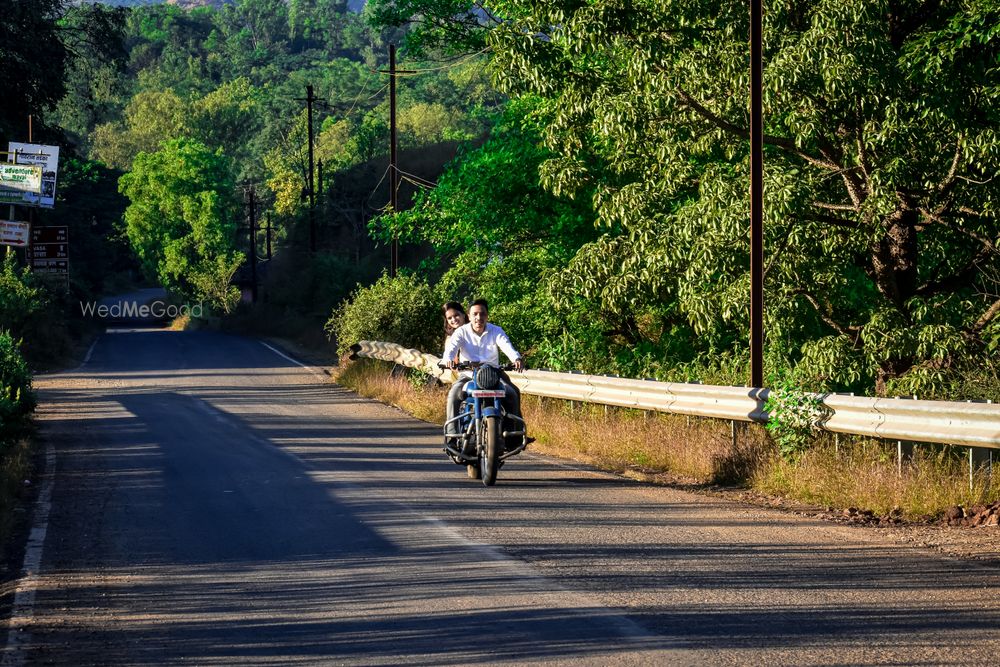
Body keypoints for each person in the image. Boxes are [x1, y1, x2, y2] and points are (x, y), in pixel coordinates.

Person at [442, 299, 525, 448]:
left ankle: (515, 435)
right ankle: (452, 437)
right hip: (468, 374)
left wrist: (516, 358)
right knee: (454, 394)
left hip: (494, 374)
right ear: (469, 315)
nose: (478, 318)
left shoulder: (496, 330)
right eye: (475, 314)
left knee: (513, 393)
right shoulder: (461, 332)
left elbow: (506, 345)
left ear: (487, 316)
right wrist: (448, 360)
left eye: (482, 314)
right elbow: (451, 348)